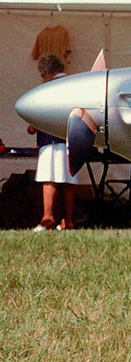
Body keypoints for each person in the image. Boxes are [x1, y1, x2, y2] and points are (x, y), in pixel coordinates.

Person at [27, 54, 77, 230]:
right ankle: (68, 220)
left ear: (46, 72)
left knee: (49, 178)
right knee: (68, 180)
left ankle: (47, 217)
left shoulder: (49, 87)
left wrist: (33, 125)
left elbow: (40, 116)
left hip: (51, 139)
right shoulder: (73, 85)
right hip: (71, 138)